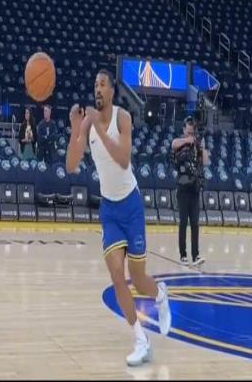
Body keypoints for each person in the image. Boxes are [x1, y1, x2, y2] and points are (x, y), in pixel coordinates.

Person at [66, 69, 171, 366]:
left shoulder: (122, 118)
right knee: (116, 274)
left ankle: (160, 296)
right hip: (110, 209)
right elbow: (72, 165)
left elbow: (124, 160)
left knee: (138, 277)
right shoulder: (88, 122)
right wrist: (76, 130)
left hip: (131, 205)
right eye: (95, 85)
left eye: (102, 84)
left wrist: (97, 130)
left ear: (112, 91)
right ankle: (141, 339)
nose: (97, 89)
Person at [171, 116, 210, 266]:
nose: (190, 135)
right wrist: (187, 140)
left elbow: (205, 162)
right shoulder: (179, 142)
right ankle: (183, 255)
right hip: (182, 188)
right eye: (188, 132)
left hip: (194, 188)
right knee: (183, 222)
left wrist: (202, 147)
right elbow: (174, 144)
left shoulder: (197, 145)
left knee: (195, 223)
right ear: (184, 130)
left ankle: (195, 256)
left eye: (192, 132)